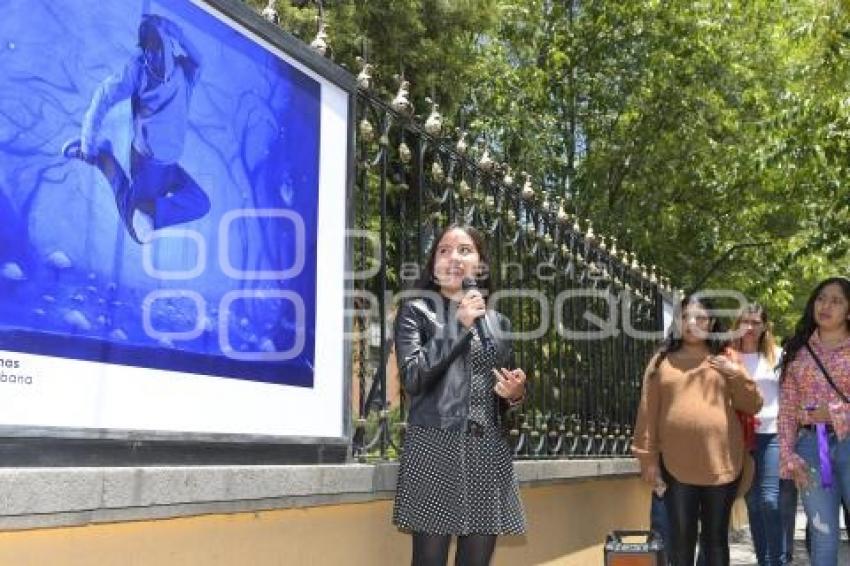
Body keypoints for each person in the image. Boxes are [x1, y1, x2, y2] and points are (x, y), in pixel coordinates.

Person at [392, 224, 527, 566]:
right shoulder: (415, 311)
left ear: (480, 264)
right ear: (433, 264)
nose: (454, 257)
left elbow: (501, 389)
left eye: (464, 250)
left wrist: (514, 393)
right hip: (435, 444)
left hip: (487, 450)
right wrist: (458, 325)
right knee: (430, 560)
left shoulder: (498, 322)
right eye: (444, 250)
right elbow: (413, 378)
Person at [633, 294, 763, 566]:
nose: (692, 323)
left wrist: (735, 374)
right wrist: (647, 460)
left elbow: (752, 405)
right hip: (676, 466)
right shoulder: (661, 361)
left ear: (712, 322)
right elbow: (647, 413)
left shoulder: (726, 359)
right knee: (680, 542)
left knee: (716, 542)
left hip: (722, 464)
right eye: (685, 317)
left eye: (700, 317)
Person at [62, 14, 210, 244]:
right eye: (146, 48)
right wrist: (87, 142)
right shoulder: (138, 70)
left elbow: (199, 59)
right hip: (147, 163)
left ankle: (110, 166)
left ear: (168, 46)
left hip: (170, 164)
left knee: (201, 203)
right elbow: (103, 97)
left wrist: (174, 30)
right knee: (138, 233)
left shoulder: (184, 73)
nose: (152, 55)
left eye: (156, 46)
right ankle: (100, 156)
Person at [778, 276, 850, 566]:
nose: (826, 305)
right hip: (811, 448)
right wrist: (787, 455)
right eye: (821, 298)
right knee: (823, 533)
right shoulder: (798, 351)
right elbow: (786, 409)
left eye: (836, 300)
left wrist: (835, 412)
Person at [731, 304, 797, 566]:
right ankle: (764, 560)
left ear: (764, 327)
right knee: (754, 503)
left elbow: (790, 397)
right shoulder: (729, 357)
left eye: (756, 322)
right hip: (740, 438)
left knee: (770, 500)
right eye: (745, 321)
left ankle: (777, 560)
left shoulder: (778, 356)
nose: (750, 327)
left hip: (771, 434)